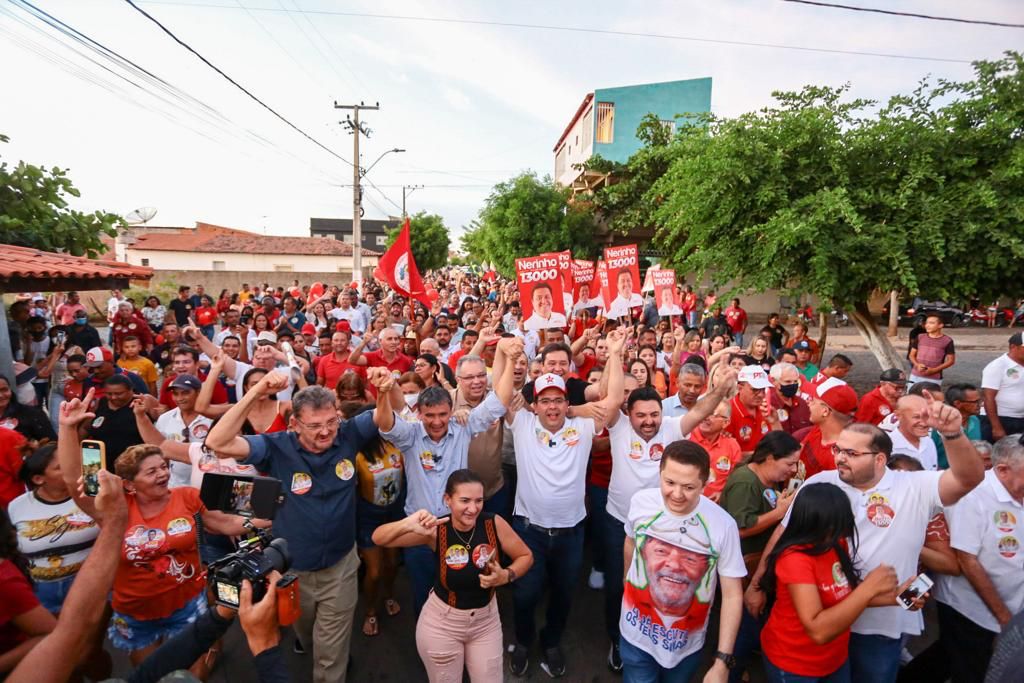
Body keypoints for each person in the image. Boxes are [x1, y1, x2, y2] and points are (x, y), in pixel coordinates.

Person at [745, 411, 986, 683]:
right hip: (821, 620)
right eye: (838, 449)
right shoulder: (820, 483)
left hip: (879, 626)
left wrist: (953, 433)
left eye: (851, 453)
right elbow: (784, 534)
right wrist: (757, 585)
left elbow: (969, 478)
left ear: (879, 459)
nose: (839, 458)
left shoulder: (915, 486)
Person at [57, 391, 249, 675]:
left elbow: (225, 524)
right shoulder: (114, 507)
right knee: (151, 674)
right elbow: (74, 481)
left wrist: (272, 516)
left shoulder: (186, 496)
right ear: (129, 484)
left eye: (164, 467)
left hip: (188, 604)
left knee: (191, 677)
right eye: (151, 472)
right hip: (137, 613)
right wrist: (67, 428)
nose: (163, 475)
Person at [205, 374, 381, 683]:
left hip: (341, 566)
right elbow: (217, 442)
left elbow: (388, 413)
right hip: (293, 571)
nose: (325, 431)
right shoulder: (275, 447)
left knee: (330, 652)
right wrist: (256, 391)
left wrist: (387, 388)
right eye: (314, 425)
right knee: (306, 632)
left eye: (331, 422)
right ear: (294, 424)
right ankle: (311, 642)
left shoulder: (348, 435)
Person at [375, 338, 520, 615]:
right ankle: (426, 639)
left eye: (443, 414)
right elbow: (386, 424)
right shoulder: (410, 435)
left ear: (451, 411)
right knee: (423, 594)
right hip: (420, 528)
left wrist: (511, 360)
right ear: (419, 414)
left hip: (458, 527)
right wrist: (382, 393)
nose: (437, 421)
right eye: (430, 415)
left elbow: (499, 402)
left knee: (460, 591)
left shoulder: (462, 427)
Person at [505, 363, 622, 678]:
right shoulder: (523, 424)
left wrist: (614, 353)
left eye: (558, 400)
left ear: (567, 404)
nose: (552, 407)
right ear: (534, 405)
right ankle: (523, 641)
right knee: (525, 593)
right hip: (529, 532)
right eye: (545, 400)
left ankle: (552, 641)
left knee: (563, 594)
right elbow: (503, 396)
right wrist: (504, 352)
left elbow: (613, 400)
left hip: (571, 534)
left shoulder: (582, 427)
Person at [372, 469, 534, 683]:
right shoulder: (437, 530)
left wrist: (506, 575)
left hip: (486, 623)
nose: (473, 508)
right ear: (447, 499)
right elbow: (379, 538)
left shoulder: (493, 524)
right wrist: (406, 523)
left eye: (478, 501)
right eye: (464, 500)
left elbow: (525, 556)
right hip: (442, 625)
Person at [620, 440, 746, 682]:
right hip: (636, 638)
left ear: (705, 483)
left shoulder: (723, 525)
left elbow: (732, 595)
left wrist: (722, 661)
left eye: (688, 487)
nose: (677, 495)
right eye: (669, 483)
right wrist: (625, 582)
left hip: (686, 648)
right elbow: (630, 542)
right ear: (659, 474)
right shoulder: (640, 503)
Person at [760, 483, 899, 682]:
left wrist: (895, 597)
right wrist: (869, 588)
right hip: (795, 664)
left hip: (834, 659)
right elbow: (818, 631)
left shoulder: (835, 545)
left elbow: (845, 597)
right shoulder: (795, 559)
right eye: (835, 526)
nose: (841, 533)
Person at [929, 435, 1024, 681]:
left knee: (949, 658)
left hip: (1011, 606)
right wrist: (1004, 617)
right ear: (1002, 470)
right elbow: (967, 560)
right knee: (972, 669)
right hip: (971, 609)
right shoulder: (973, 497)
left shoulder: (1017, 488)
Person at [718, 431, 801, 681]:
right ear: (770, 458)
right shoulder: (746, 482)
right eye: (789, 463)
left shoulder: (769, 479)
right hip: (742, 569)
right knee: (745, 627)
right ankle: (727, 670)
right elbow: (739, 528)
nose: (794, 470)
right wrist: (779, 513)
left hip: (755, 566)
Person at [799, 379, 859, 477]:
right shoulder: (820, 428)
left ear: (825, 411)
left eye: (813, 400)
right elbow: (800, 449)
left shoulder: (840, 460)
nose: (808, 402)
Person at [691, 401, 743, 502]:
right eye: (705, 412)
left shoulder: (732, 446)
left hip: (717, 505)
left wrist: (722, 494)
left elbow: (735, 480)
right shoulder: (686, 437)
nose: (706, 417)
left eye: (713, 414)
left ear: (726, 423)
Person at [727, 365, 781, 456]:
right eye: (755, 389)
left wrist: (775, 422)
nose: (761, 395)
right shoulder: (727, 411)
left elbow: (780, 443)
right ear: (740, 387)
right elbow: (726, 455)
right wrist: (760, 456)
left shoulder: (765, 408)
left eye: (763, 389)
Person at [980, 332, 1024, 441]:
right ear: (1013, 347)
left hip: (1020, 419)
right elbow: (988, 398)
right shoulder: (997, 366)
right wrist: (996, 427)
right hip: (1000, 418)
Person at [888, 394, 941, 471]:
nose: (924, 423)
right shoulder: (887, 447)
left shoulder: (928, 442)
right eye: (917, 417)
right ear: (898, 415)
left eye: (927, 417)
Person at [0, 376, 54, 446]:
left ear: (10, 390)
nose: (0, 395)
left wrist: (33, 449)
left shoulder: (33, 414)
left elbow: (52, 444)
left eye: (4, 390)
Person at [908, 314, 955, 385]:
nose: (927, 325)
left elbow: (951, 361)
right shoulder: (920, 337)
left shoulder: (947, 340)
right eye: (926, 323)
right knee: (912, 392)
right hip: (915, 376)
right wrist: (917, 365)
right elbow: (911, 355)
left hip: (934, 378)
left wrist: (934, 370)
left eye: (931, 323)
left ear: (940, 325)